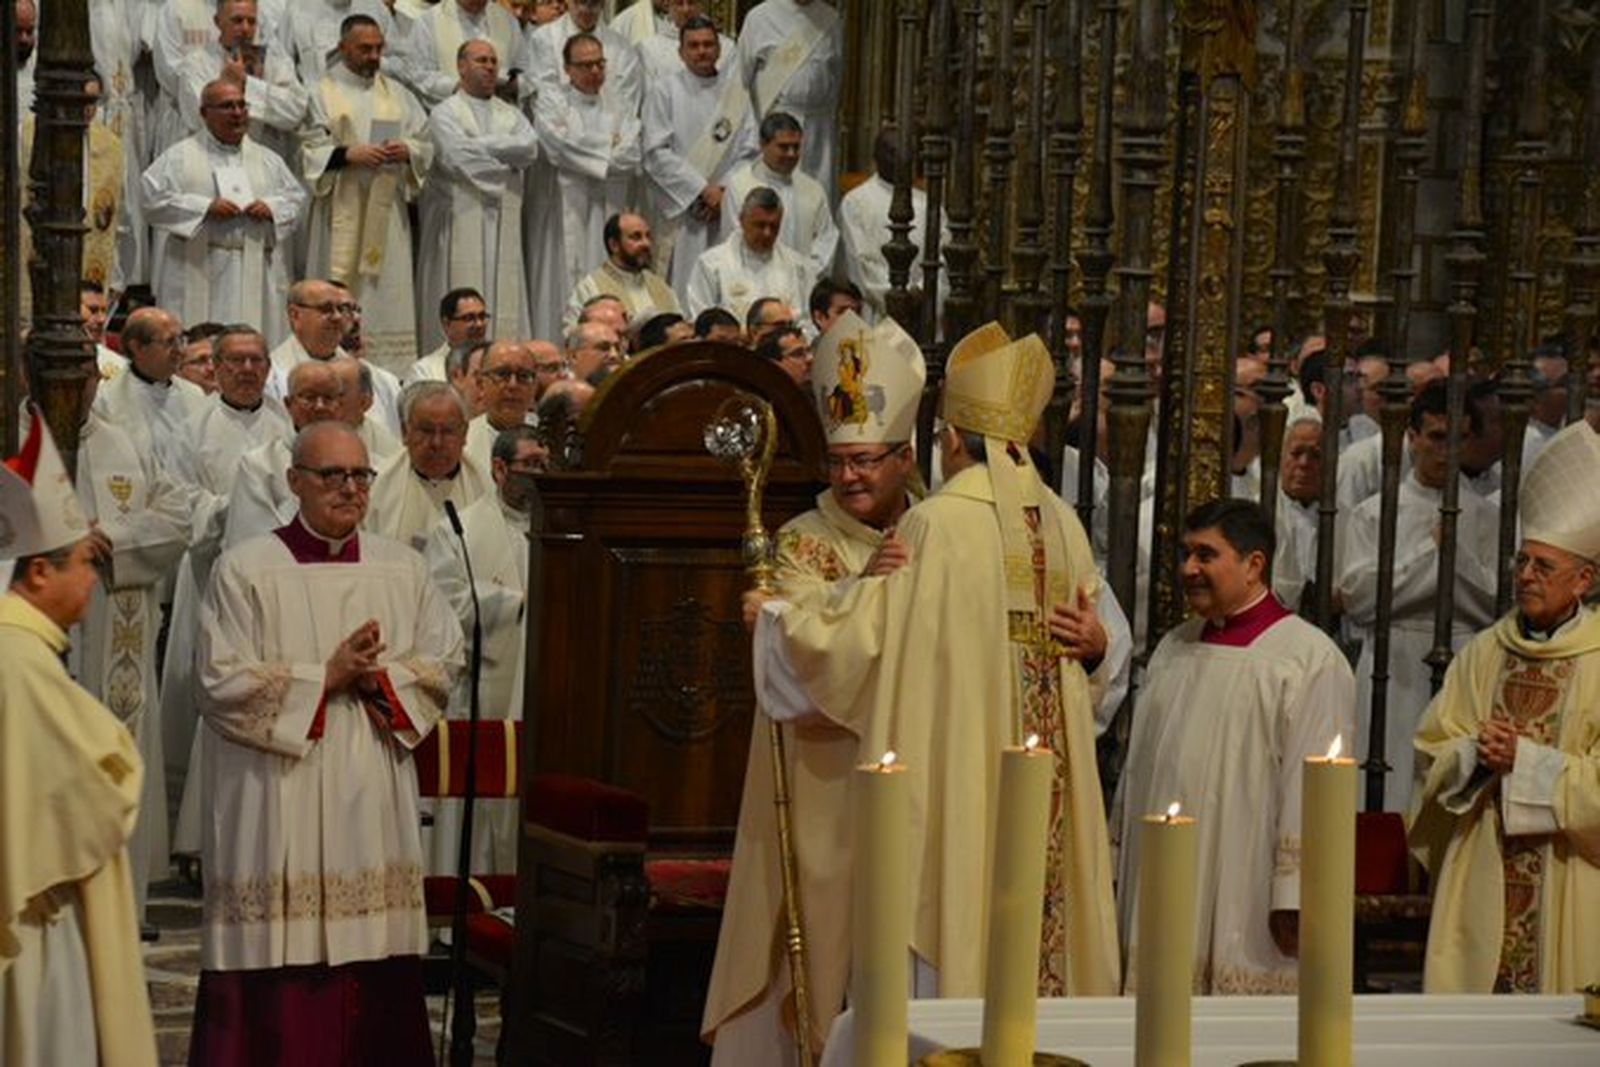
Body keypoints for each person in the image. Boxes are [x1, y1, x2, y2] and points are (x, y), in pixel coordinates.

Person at [740, 323, 1125, 1055]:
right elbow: (1099, 645)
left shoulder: (935, 525)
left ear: (946, 442)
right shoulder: (1064, 523)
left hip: (952, 800)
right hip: (1041, 803)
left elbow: (857, 643)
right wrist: (1101, 651)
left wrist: (776, 625)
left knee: (939, 989)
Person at [188, 421, 463, 1064]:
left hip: (369, 787)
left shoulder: (404, 568)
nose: (349, 488)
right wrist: (324, 678)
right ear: (293, 483)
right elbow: (217, 681)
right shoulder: (246, 570)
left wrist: (379, 681)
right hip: (277, 791)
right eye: (331, 475)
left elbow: (442, 662)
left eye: (360, 475)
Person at [704, 310, 927, 1057]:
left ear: (907, 455)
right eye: (839, 461)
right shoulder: (803, 539)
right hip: (821, 786)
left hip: (915, 772)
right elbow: (798, 651)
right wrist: (866, 589)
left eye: (866, 460)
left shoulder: (934, 531)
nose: (849, 476)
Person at [1114, 498, 1356, 994]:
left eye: (1206, 555)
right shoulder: (1173, 647)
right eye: (1186, 554)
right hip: (1161, 879)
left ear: (1254, 565)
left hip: (1247, 890)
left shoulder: (1309, 660)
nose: (1189, 569)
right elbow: (1139, 771)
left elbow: (1311, 791)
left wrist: (1294, 894)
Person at [1410, 421, 1600, 994]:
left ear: (1584, 580)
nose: (1524, 576)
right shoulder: (1486, 652)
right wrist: (1475, 755)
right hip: (1482, 866)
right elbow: (1432, 749)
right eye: (1522, 562)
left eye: (1543, 567)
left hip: (1569, 875)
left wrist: (1530, 762)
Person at [0, 414, 159, 1067]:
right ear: (39, 572)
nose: (95, 578)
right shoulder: (20, 663)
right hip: (38, 918)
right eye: (86, 564)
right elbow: (93, 794)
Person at [1337, 382, 1499, 812]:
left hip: (1464, 653)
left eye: (1459, 439)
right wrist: (1430, 554)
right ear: (1411, 437)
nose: (1447, 451)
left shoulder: (1486, 515)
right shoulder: (1375, 511)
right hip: (1395, 659)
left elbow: (1493, 606)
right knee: (1387, 776)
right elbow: (1361, 600)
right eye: (1436, 437)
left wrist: (1454, 556)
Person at [421, 423, 546, 873]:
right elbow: (446, 602)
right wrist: (516, 606)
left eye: (545, 465)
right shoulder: (458, 529)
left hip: (542, 686)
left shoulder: (561, 528)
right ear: (498, 468)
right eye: (530, 464)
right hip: (485, 682)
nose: (540, 474)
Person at [301, 15, 433, 375]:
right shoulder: (321, 91)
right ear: (343, 48)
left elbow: (425, 141)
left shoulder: (398, 94)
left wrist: (409, 151)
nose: (374, 56)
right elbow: (306, 147)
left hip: (387, 213)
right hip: (339, 208)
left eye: (378, 48)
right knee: (338, 285)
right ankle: (330, 361)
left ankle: (391, 373)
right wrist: (346, 155)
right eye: (365, 48)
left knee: (387, 291)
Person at [143, 79, 307, 349]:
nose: (237, 112)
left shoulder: (268, 160)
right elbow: (151, 199)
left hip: (253, 266)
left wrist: (271, 209)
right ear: (204, 113)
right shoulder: (180, 157)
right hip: (197, 265)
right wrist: (204, 208)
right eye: (227, 106)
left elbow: (295, 200)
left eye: (242, 105)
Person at [417, 39, 538, 351]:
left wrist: (481, 144)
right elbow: (457, 157)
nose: (489, 67)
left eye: (493, 61)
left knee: (504, 297)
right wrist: (505, 161)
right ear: (460, 66)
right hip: (461, 215)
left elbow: (529, 149)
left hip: (503, 217)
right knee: (460, 283)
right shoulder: (444, 113)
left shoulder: (510, 113)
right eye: (481, 60)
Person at [527, 32, 643, 342]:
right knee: (565, 277)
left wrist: (586, 149)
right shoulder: (553, 101)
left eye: (600, 64)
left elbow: (631, 155)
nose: (595, 72)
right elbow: (555, 146)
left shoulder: (619, 102)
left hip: (610, 206)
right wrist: (609, 144)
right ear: (567, 69)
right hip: (567, 206)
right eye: (586, 65)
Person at [642, 13, 756, 296]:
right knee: (682, 284)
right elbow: (655, 152)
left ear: (719, 49)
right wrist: (701, 190)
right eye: (693, 45)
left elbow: (751, 150)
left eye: (708, 44)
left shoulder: (737, 95)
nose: (702, 51)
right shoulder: (664, 91)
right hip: (684, 207)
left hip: (724, 206)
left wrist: (724, 191)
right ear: (681, 52)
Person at [225, 359, 346, 548]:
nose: (320, 406)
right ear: (289, 404)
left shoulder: (361, 462)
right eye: (309, 397)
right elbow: (252, 540)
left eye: (328, 398)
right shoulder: (258, 466)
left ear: (340, 405)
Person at [176, 0, 308, 165]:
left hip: (266, 164)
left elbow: (295, 111)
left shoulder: (275, 60)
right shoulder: (196, 64)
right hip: (213, 162)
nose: (246, 29)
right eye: (237, 20)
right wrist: (227, 88)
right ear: (218, 22)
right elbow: (198, 120)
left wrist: (247, 85)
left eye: (251, 21)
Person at [838, 127, 948, 322]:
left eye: (907, 153)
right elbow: (860, 261)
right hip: (877, 312)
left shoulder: (928, 204)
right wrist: (894, 296)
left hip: (923, 311)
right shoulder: (855, 202)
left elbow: (943, 256)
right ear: (876, 155)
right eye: (891, 152)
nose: (900, 160)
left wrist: (920, 291)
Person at [366, 381, 491, 552]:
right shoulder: (377, 489)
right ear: (404, 432)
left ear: (464, 433)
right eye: (426, 430)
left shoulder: (484, 487)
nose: (436, 443)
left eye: (447, 431)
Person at [737, 0, 842, 196]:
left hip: (819, 131)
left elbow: (836, 74)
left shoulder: (830, 18)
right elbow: (740, 81)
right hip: (775, 122)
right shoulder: (759, 17)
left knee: (817, 197)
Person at [721, 111, 837, 281]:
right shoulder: (739, 186)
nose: (791, 154)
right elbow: (734, 238)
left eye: (796, 147)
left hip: (802, 283)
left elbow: (826, 238)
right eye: (783, 147)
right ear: (763, 145)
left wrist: (806, 272)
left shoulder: (813, 189)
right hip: (753, 281)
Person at [686, 186, 812, 322]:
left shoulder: (797, 266)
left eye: (774, 226)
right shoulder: (710, 264)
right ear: (742, 220)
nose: (767, 233)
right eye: (760, 225)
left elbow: (808, 321)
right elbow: (701, 320)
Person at [564, 211, 682, 330]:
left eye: (648, 236)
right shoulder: (590, 288)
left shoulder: (661, 286)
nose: (646, 243)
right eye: (636, 237)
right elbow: (575, 337)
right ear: (614, 245)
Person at [525, 0, 642, 113]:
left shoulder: (622, 48)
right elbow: (545, 95)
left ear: (603, 4)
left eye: (594, 3)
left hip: (610, 128)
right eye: (580, 2)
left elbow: (627, 103)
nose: (586, 9)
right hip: (559, 127)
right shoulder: (544, 39)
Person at [404, 0, 525, 108]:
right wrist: (459, 86)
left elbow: (527, 71)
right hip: (450, 117)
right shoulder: (429, 21)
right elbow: (418, 74)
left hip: (501, 113)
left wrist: (512, 85)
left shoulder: (508, 21)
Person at [266, 278, 353, 399]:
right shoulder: (272, 377)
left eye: (341, 309)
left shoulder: (363, 374)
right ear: (295, 315)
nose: (337, 317)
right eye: (326, 309)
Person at [1273, 411, 1323, 614]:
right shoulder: (1262, 511)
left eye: (1315, 455)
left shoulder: (1346, 517)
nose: (1304, 463)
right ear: (1280, 456)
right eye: (1296, 453)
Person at [465, 338, 539, 470]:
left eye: (523, 376)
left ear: (534, 387)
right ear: (481, 384)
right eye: (502, 374)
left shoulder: (547, 439)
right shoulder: (462, 443)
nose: (513, 385)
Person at [407, 287, 490, 384]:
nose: (479, 324)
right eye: (469, 318)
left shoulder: (497, 362)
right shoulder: (425, 372)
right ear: (446, 324)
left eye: (482, 316)